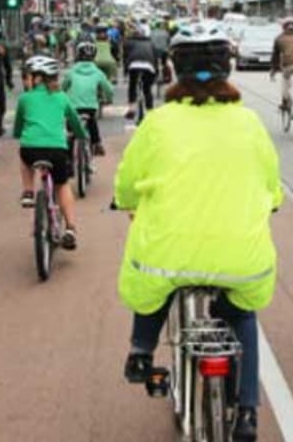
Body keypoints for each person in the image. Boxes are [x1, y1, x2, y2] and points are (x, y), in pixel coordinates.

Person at [115, 22, 281, 442]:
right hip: (242, 264)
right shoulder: (249, 122)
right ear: (228, 67)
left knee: (154, 276)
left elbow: (128, 185)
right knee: (242, 312)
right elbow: (271, 187)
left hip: (167, 257)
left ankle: (140, 352)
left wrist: (128, 203)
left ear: (172, 68)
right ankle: (246, 412)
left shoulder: (157, 122)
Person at [14, 56, 88, 249]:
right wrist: (82, 135)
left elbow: (18, 126)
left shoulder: (24, 98)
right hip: (57, 150)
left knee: (24, 158)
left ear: (37, 78)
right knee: (62, 185)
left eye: (28, 76)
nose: (25, 80)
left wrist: (17, 134)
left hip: (30, 149)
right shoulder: (62, 97)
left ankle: (28, 191)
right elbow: (74, 122)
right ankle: (71, 228)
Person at [62, 41, 114, 156]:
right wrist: (109, 99)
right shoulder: (98, 73)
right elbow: (108, 89)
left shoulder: (71, 72)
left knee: (71, 131)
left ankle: (68, 159)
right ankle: (97, 144)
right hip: (90, 107)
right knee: (92, 123)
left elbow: (62, 87)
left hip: (73, 107)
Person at [123, 23, 158, 120]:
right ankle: (150, 110)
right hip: (149, 66)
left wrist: (125, 71)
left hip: (133, 65)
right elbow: (155, 59)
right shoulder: (151, 43)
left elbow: (125, 57)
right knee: (147, 89)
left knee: (132, 86)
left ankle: (131, 109)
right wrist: (156, 73)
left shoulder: (129, 42)